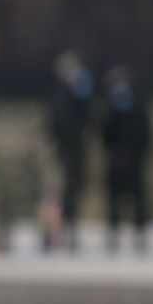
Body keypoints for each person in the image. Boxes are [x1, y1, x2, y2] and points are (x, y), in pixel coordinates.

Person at [44, 50, 96, 252]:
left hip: (76, 151)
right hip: (60, 152)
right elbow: (57, 124)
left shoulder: (80, 97)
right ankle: (51, 234)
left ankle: (69, 230)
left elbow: (89, 121)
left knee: (73, 193)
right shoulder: (59, 96)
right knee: (55, 194)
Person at [99, 65, 153, 253]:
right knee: (113, 198)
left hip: (135, 159)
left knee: (138, 198)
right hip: (115, 158)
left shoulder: (139, 103)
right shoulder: (108, 106)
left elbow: (147, 133)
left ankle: (139, 233)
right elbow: (104, 134)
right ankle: (113, 233)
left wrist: (138, 152)